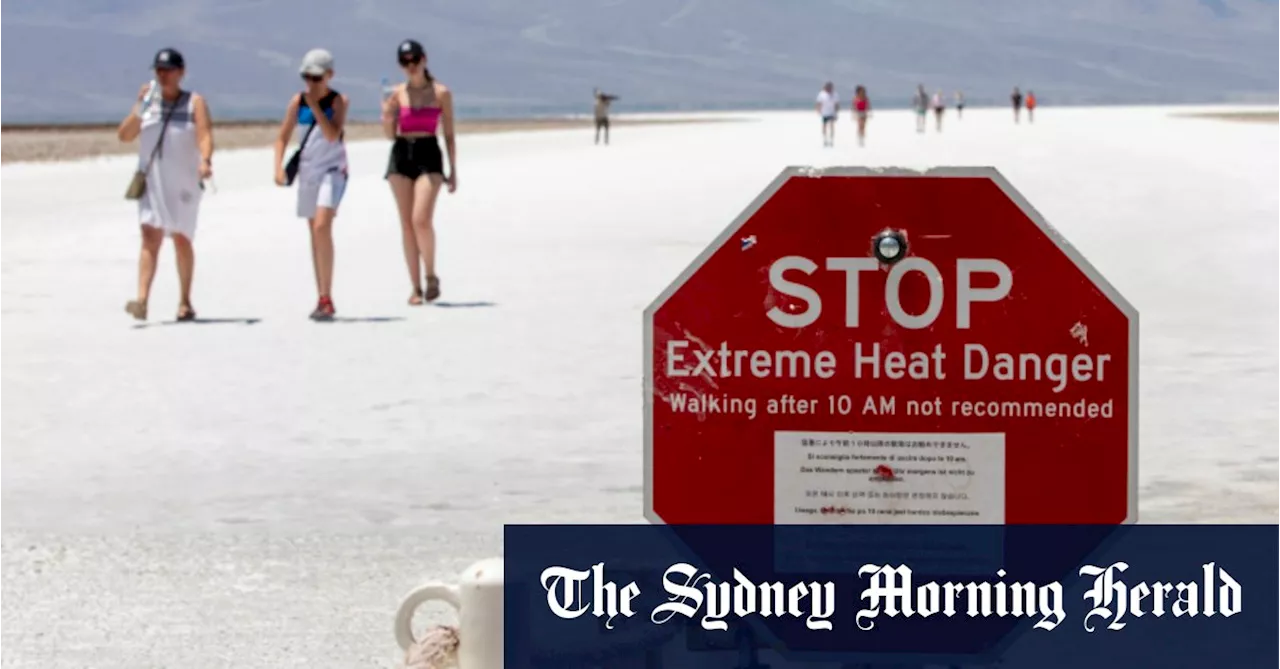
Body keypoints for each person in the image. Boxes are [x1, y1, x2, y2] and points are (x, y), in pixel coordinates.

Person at [116, 47, 213, 322]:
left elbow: (205, 135)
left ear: (181, 72)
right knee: (150, 235)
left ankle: (185, 300)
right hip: (152, 180)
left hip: (183, 182)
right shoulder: (149, 103)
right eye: (159, 70)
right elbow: (125, 135)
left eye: (168, 70)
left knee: (181, 238)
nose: (163, 75)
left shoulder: (195, 102)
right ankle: (142, 300)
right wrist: (139, 108)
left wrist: (205, 160)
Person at [273, 48, 349, 321]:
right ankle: (322, 295)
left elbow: (331, 134)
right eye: (307, 77)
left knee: (322, 225)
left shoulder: (338, 101)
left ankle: (327, 296)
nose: (311, 84)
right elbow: (282, 137)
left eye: (317, 78)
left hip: (332, 170)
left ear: (329, 76)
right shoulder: (297, 102)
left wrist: (316, 106)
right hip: (308, 173)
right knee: (314, 233)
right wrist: (278, 167)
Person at [383, 38, 457, 305]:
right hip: (402, 154)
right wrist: (387, 116)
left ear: (424, 59)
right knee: (406, 223)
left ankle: (430, 275)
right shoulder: (397, 94)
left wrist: (453, 168)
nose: (411, 66)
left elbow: (448, 133)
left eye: (415, 60)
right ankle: (414, 287)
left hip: (429, 153)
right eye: (405, 62)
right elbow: (391, 136)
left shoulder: (441, 93)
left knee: (420, 219)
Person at [816, 81, 838, 147]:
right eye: (828, 87)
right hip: (824, 112)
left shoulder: (835, 94)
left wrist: (836, 111)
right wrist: (818, 110)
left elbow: (836, 104)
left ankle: (831, 139)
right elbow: (819, 103)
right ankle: (825, 139)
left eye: (830, 87)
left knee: (831, 126)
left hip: (832, 112)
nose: (829, 88)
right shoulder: (821, 94)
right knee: (824, 126)